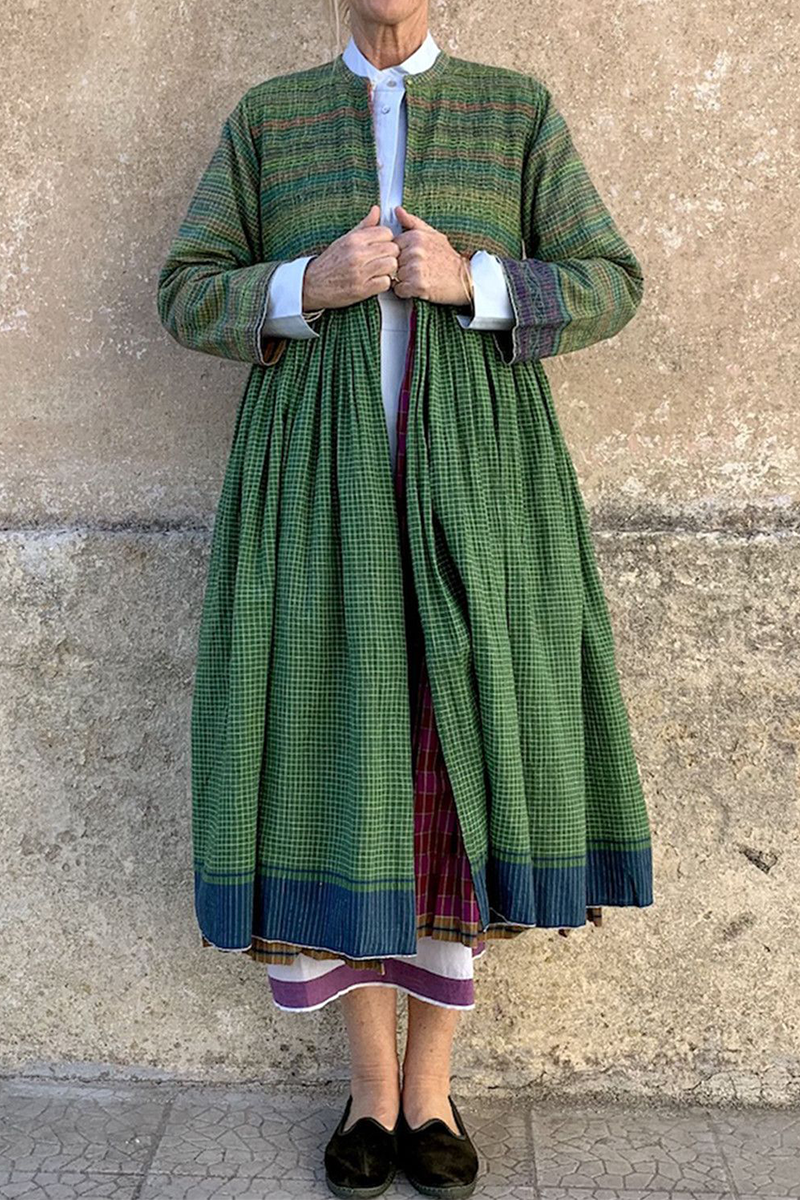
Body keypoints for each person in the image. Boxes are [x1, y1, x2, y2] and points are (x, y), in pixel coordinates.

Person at [156, 1, 654, 1195]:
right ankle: (369, 1092)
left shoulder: (513, 111)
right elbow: (185, 291)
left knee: (448, 769)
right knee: (339, 764)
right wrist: (305, 282)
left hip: (477, 494)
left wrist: (475, 279)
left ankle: (431, 1090)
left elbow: (610, 282)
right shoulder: (270, 118)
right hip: (314, 499)